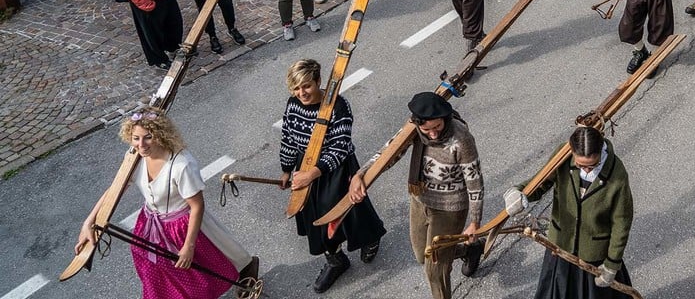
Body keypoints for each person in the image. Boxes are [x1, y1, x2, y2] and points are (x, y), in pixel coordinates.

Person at [76, 107, 259, 299]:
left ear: (160, 134)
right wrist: (88, 223)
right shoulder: (134, 157)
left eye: (148, 137)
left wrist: (188, 246)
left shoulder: (181, 165)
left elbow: (197, 206)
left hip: (181, 226)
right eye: (136, 138)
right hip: (149, 225)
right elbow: (114, 190)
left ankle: (246, 266)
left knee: (198, 274)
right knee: (152, 273)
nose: (141, 145)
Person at [350, 92, 484, 299]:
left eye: (437, 127)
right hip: (420, 200)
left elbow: (474, 181)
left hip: (450, 207)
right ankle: (468, 250)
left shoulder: (461, 137)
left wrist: (475, 222)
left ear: (445, 118)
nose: (433, 134)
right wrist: (360, 174)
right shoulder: (412, 129)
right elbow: (388, 154)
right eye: (426, 129)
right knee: (423, 254)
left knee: (435, 271)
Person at [279, 59, 385, 293]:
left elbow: (339, 146)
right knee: (310, 213)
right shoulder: (292, 104)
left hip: (337, 167)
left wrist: (312, 175)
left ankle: (370, 236)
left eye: (306, 86)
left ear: (318, 81)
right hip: (305, 164)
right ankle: (335, 259)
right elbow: (288, 136)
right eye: (296, 88)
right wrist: (287, 169)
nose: (301, 93)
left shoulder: (338, 106)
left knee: (348, 208)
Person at [503, 126, 633, 299]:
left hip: (593, 256)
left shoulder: (617, 174)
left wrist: (612, 264)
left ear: (600, 151)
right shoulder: (562, 156)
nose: (586, 170)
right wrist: (519, 192)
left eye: (592, 165)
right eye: (580, 165)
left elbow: (621, 222)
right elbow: (542, 182)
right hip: (560, 248)